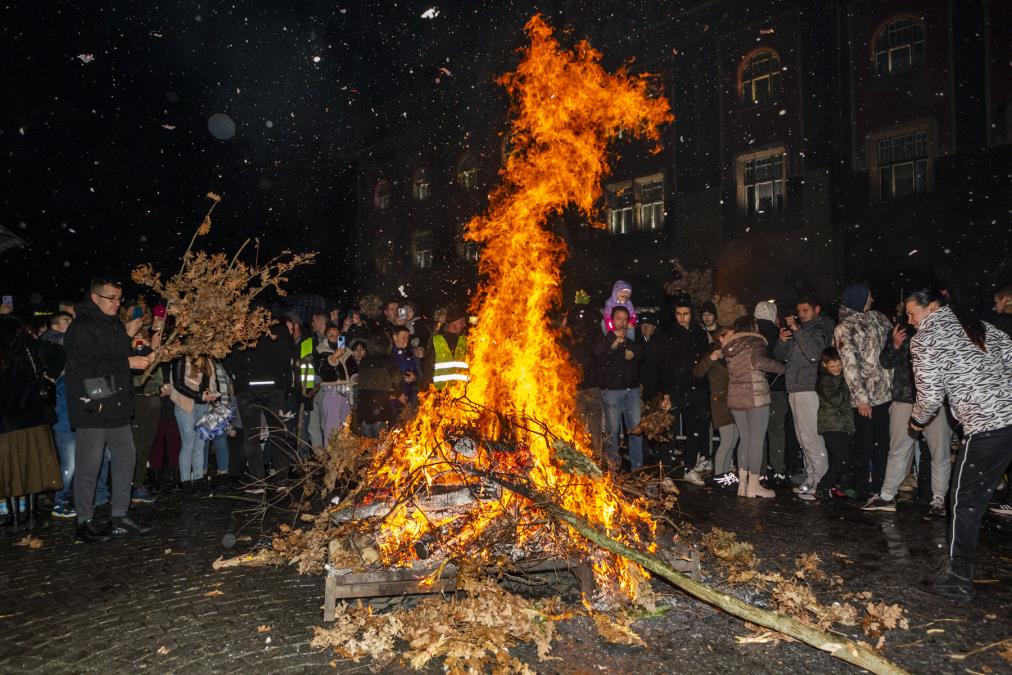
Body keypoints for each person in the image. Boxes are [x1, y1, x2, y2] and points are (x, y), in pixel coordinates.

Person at [903, 287, 1012, 598]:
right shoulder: (978, 325)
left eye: (912, 313)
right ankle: (953, 564)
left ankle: (959, 575)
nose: (910, 321)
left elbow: (930, 396)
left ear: (932, 307)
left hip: (987, 426)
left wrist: (918, 420)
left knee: (964, 501)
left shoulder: (924, 340)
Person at [64, 277, 153, 541]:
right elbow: (87, 367)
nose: (117, 303)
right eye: (111, 298)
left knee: (127, 458)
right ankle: (84, 522)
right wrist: (127, 360)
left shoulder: (115, 325)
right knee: (89, 466)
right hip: (92, 407)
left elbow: (121, 360)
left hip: (118, 405)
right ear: (95, 298)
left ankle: (120, 516)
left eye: (119, 298)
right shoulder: (80, 328)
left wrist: (143, 349)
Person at [862, 319, 951, 515]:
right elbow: (885, 362)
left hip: (935, 401)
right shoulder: (902, 331)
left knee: (940, 452)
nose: (910, 317)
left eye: (913, 312)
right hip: (904, 399)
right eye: (908, 313)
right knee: (898, 450)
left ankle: (938, 500)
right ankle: (886, 496)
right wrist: (894, 344)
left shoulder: (943, 329)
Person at [0, 316, 62, 529]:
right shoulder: (31, 347)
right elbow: (59, 353)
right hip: (34, 417)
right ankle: (32, 517)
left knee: (10, 470)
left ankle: (15, 518)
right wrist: (49, 376)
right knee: (34, 468)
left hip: (6, 422)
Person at [835, 284, 893, 499]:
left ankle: (881, 488)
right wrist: (861, 398)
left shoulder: (877, 317)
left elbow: (891, 344)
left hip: (885, 394)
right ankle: (861, 488)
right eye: (868, 296)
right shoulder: (845, 327)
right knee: (865, 445)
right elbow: (849, 365)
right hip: (865, 398)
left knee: (883, 445)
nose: (872, 299)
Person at [773, 296, 835, 496]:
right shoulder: (802, 331)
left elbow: (815, 354)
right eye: (799, 311)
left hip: (809, 389)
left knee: (811, 437)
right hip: (795, 388)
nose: (800, 314)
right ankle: (811, 479)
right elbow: (781, 357)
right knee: (803, 438)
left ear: (817, 309)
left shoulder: (820, 328)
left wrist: (798, 331)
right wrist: (782, 342)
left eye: (805, 310)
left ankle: (820, 482)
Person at [722, 316, 786, 498]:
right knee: (757, 440)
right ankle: (754, 485)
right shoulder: (755, 341)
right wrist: (781, 367)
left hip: (735, 398)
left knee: (745, 439)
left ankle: (742, 485)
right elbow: (759, 362)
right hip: (755, 396)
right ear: (753, 326)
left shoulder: (730, 346)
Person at [230, 320, 294, 492]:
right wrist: (285, 385)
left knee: (252, 436)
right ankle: (283, 479)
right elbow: (287, 357)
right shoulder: (278, 329)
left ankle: (258, 481)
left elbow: (232, 358)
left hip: (248, 389)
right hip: (274, 388)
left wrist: (238, 379)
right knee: (278, 434)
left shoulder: (242, 328)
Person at [659, 297, 711, 484]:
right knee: (668, 432)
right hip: (675, 388)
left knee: (695, 430)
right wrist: (666, 392)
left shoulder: (699, 333)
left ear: (691, 314)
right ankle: (664, 474)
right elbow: (664, 365)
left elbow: (704, 360)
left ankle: (689, 467)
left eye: (685, 314)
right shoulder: (668, 334)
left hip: (696, 387)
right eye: (679, 314)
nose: (682, 318)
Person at [594, 306, 643, 471]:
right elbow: (597, 351)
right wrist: (612, 341)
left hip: (631, 391)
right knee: (612, 431)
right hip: (611, 391)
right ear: (612, 320)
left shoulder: (631, 340)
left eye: (624, 319)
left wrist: (633, 354)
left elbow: (642, 354)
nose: (621, 322)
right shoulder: (605, 337)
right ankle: (613, 467)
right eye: (618, 318)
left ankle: (638, 468)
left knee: (636, 429)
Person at [692, 327, 739, 492]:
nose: (734, 338)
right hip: (720, 402)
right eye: (731, 335)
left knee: (733, 440)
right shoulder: (713, 352)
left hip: (734, 401)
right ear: (720, 338)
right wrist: (710, 359)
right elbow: (697, 372)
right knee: (727, 440)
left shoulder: (731, 353)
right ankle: (719, 475)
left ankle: (724, 474)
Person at [169, 355, 218, 494]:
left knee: (200, 444)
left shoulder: (208, 360)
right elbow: (178, 384)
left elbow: (212, 382)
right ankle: (185, 481)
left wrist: (213, 395)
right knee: (188, 443)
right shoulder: (181, 358)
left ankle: (199, 478)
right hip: (185, 405)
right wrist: (200, 396)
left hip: (203, 406)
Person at [811, 348, 855, 501]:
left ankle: (840, 486)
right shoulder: (825, 381)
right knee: (843, 459)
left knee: (841, 458)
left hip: (842, 425)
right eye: (832, 366)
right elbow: (836, 399)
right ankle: (823, 486)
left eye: (839, 365)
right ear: (825, 365)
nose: (836, 369)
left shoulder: (839, 377)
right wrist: (847, 382)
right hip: (831, 425)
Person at [754, 300, 789, 485]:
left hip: (758, 389)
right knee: (776, 430)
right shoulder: (779, 334)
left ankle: (760, 470)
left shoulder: (752, 334)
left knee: (759, 431)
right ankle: (778, 469)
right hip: (776, 389)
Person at [566, 308, 603, 463]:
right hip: (584, 387)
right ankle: (591, 457)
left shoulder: (573, 336)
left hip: (588, 387)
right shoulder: (592, 333)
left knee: (585, 426)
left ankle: (589, 457)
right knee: (586, 426)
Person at [356, 333, 404, 438]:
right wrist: (399, 393)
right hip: (380, 409)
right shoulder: (387, 360)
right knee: (381, 445)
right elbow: (396, 378)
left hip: (364, 410)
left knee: (368, 444)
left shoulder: (365, 360)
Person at [315, 324, 356, 442]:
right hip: (332, 389)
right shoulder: (321, 350)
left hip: (347, 390)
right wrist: (333, 357)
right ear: (325, 336)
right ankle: (330, 456)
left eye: (337, 334)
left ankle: (343, 455)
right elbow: (321, 370)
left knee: (346, 424)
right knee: (332, 426)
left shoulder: (347, 351)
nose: (335, 337)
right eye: (331, 335)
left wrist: (354, 379)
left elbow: (353, 369)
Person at [421, 304, 469, 390]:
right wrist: (425, 392)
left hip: (461, 393)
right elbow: (428, 369)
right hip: (440, 394)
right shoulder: (437, 340)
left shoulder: (464, 341)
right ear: (452, 322)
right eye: (462, 321)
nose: (464, 324)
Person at [391, 326, 420, 407]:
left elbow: (415, 371)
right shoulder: (389, 354)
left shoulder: (409, 353)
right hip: (393, 400)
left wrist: (414, 377)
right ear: (395, 337)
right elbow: (386, 377)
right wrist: (398, 394)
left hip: (408, 396)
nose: (406, 341)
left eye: (408, 338)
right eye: (403, 338)